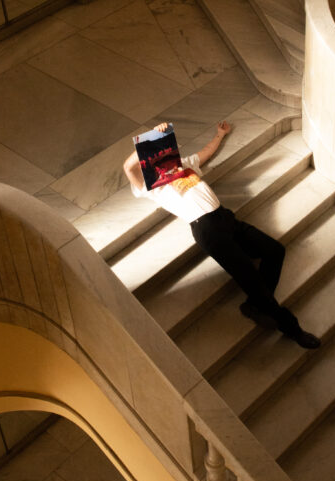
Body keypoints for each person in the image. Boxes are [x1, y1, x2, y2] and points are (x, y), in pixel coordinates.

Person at [124, 121, 321, 349]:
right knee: (252, 281)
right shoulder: (151, 184)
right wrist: (149, 137)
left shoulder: (183, 165)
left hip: (225, 218)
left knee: (275, 250)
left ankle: (255, 305)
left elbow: (205, 154)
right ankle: (294, 330)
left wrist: (219, 135)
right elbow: (129, 168)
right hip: (206, 229)